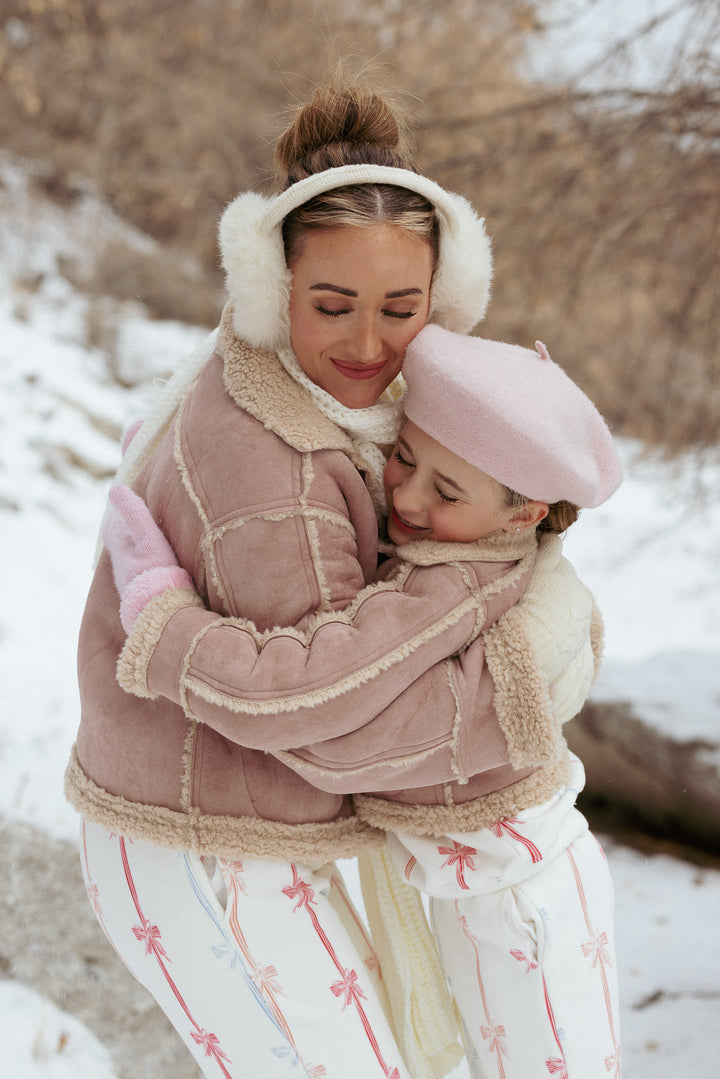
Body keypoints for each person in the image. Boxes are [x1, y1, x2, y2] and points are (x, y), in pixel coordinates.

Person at [66, 75, 601, 1079]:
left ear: (443, 302)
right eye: (332, 305)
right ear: (273, 289)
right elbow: (333, 719)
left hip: (246, 830)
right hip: (211, 847)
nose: (368, 344)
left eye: (400, 308)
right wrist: (525, 678)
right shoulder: (282, 470)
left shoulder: (345, 405)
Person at [102, 325, 623, 1079]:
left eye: (445, 491)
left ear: (525, 514)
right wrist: (194, 492)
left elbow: (322, 719)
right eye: (405, 457)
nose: (407, 498)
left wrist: (167, 624)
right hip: (485, 892)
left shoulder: (449, 583)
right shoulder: (447, 543)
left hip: (527, 902)